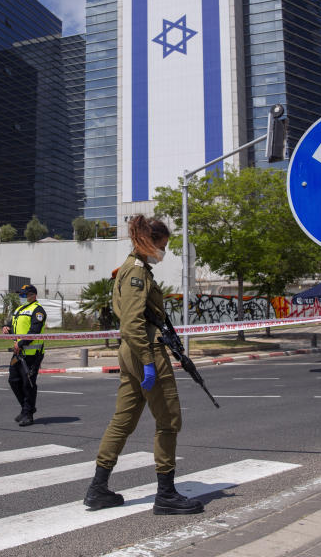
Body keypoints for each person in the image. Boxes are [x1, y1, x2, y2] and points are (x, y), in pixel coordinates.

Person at [83, 215, 204, 515]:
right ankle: (165, 494)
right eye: (162, 245)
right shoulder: (137, 273)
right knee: (168, 421)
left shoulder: (128, 269)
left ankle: (97, 488)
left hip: (130, 353)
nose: (163, 252)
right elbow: (133, 323)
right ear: (149, 242)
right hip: (144, 349)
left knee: (122, 421)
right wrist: (149, 362)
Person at [3, 284, 46, 426]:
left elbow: (34, 330)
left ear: (33, 295)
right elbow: (13, 324)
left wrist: (21, 343)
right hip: (18, 353)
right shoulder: (19, 309)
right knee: (13, 380)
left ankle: (28, 414)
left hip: (32, 354)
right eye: (20, 295)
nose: (21, 297)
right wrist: (7, 327)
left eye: (24, 295)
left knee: (28, 383)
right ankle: (26, 408)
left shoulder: (37, 310)